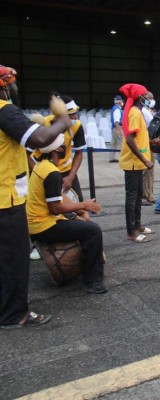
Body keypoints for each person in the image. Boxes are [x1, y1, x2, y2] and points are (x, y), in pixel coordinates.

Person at [0, 65, 71, 329]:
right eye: (13, 83)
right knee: (13, 260)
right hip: (6, 201)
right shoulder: (4, 110)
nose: (15, 89)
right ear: (5, 85)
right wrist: (63, 121)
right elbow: (41, 138)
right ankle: (13, 315)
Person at [27, 135, 106, 294]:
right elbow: (55, 208)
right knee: (93, 231)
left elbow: (59, 198)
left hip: (37, 224)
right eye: (63, 144)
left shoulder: (42, 165)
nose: (66, 147)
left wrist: (80, 210)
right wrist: (83, 204)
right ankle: (92, 281)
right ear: (57, 149)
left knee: (84, 225)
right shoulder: (52, 173)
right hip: (44, 227)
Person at [31, 94, 86, 201]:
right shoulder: (43, 124)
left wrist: (71, 177)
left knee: (78, 204)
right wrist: (38, 174)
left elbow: (79, 153)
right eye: (71, 115)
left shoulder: (77, 125)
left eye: (76, 113)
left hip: (66, 171)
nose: (75, 117)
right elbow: (27, 154)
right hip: (42, 169)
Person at [118, 83, 155, 243]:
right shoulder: (134, 113)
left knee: (138, 194)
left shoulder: (138, 112)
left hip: (138, 162)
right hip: (133, 162)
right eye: (146, 96)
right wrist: (145, 160)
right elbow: (130, 139)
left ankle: (137, 225)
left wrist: (151, 142)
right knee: (132, 196)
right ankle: (131, 231)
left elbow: (138, 137)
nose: (149, 99)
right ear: (140, 98)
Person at [140, 92, 156, 206]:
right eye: (149, 98)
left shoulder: (145, 110)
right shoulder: (144, 111)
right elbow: (153, 125)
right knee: (148, 171)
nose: (151, 100)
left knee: (147, 172)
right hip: (148, 143)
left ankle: (147, 194)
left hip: (146, 142)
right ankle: (147, 195)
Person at [109, 95, 124, 163]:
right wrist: (118, 129)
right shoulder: (117, 109)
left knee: (114, 143)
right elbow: (116, 120)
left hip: (114, 127)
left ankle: (112, 157)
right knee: (121, 142)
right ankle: (121, 157)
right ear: (119, 101)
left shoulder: (114, 108)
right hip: (118, 127)